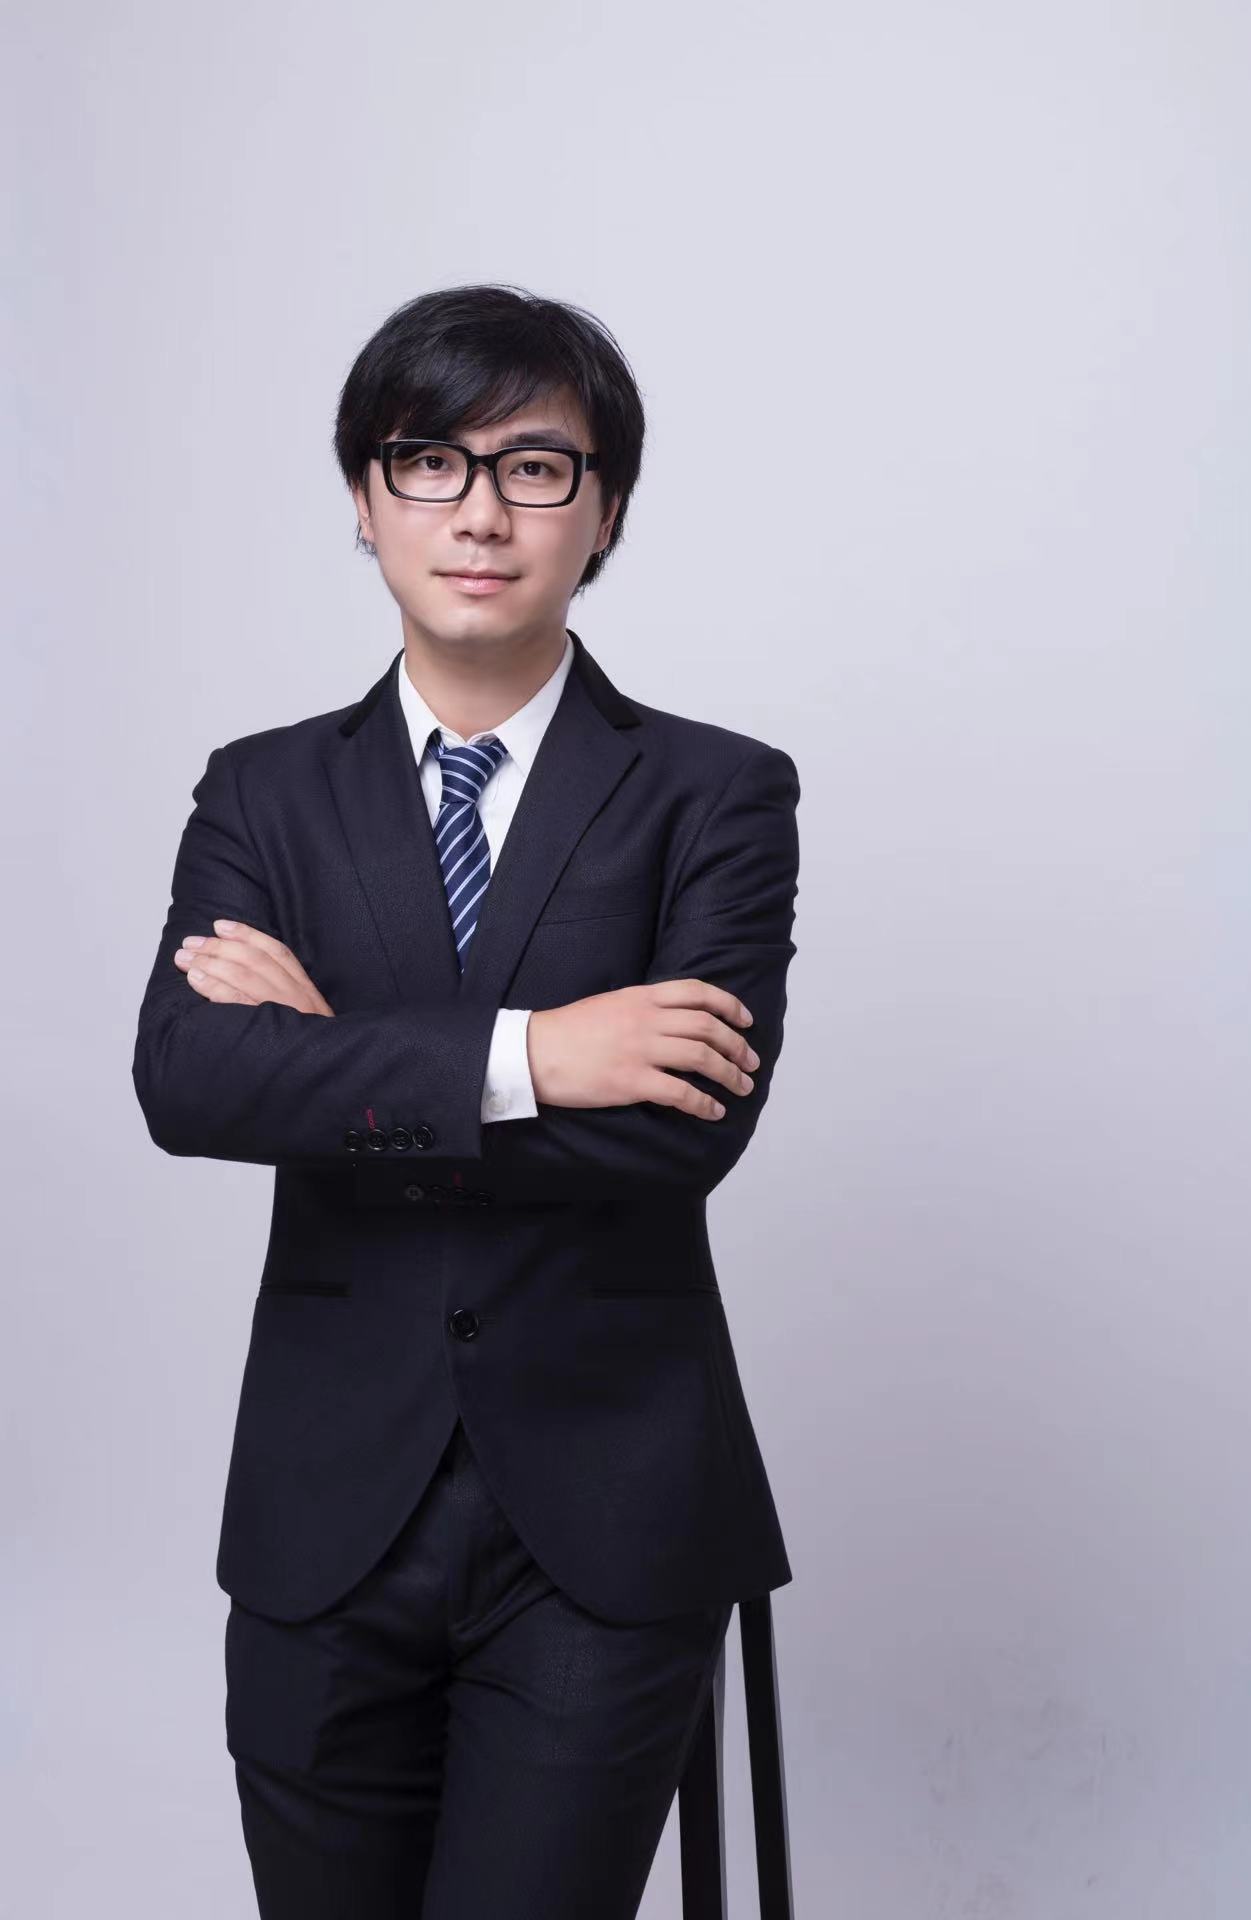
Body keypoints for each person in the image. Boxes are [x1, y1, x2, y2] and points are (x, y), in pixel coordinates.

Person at [131, 281, 801, 1919]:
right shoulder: (263, 792)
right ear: (365, 503)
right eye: (429, 462)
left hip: (609, 1521)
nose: (481, 512)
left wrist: (337, 1059)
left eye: (534, 468)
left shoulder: (716, 791)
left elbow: (683, 1131)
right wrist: (536, 1054)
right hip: (325, 1514)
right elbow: (193, 1079)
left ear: (605, 510)